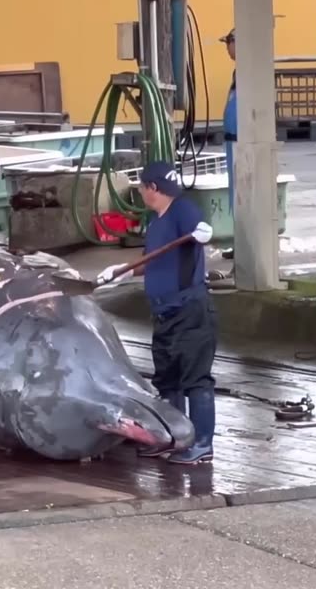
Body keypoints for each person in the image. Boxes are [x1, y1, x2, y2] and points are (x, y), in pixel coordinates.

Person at [96, 161, 216, 465]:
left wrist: (203, 233)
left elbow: (199, 230)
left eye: (141, 186)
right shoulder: (156, 221)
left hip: (189, 310)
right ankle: (175, 439)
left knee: (195, 379)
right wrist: (123, 273)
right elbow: (153, 261)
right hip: (163, 313)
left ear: (153, 188)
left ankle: (202, 443)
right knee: (169, 380)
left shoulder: (182, 210)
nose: (139, 191)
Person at [221, 27, 238, 260]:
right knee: (235, 194)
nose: (227, 48)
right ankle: (241, 241)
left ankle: (245, 242)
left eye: (228, 43)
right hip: (233, 141)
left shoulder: (250, 71)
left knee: (242, 195)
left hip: (241, 142)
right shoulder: (240, 72)